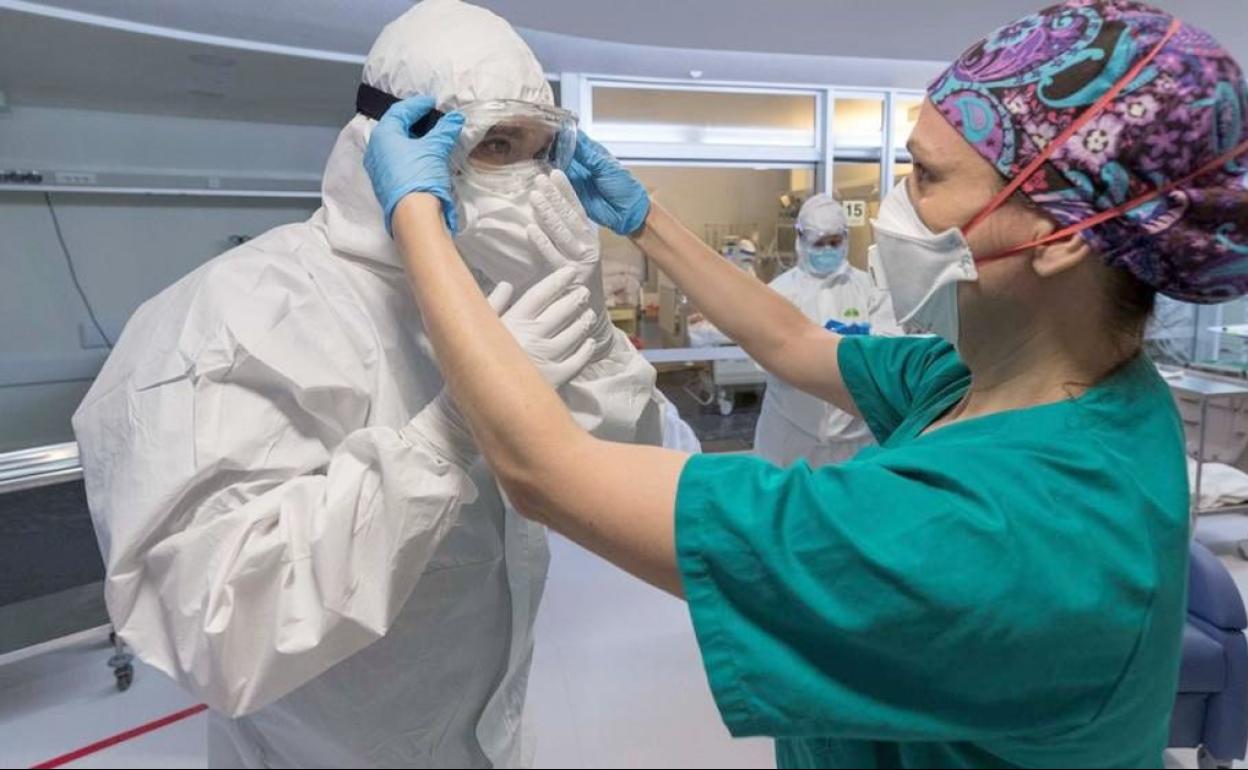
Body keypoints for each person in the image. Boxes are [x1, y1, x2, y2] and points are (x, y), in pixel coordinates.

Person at [364, 1, 1248, 767]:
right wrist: (641, 218)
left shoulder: (1001, 534)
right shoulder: (1019, 383)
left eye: (929, 178)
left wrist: (419, 218)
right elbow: (790, 340)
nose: (896, 205)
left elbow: (544, 469)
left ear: (1062, 235)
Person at [70, 0, 687, 767]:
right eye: (496, 143)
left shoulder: (496, 301)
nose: (528, 178)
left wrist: (589, 335)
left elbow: (641, 474)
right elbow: (220, 630)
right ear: (395, 142)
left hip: (491, 738)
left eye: (539, 149)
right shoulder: (232, 314)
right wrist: (453, 432)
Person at [754, 195, 900, 467]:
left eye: (834, 242)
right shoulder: (780, 293)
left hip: (857, 437)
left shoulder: (869, 289)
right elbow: (763, 356)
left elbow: (888, 354)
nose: (827, 250)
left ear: (846, 238)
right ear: (801, 239)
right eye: (818, 243)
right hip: (791, 434)